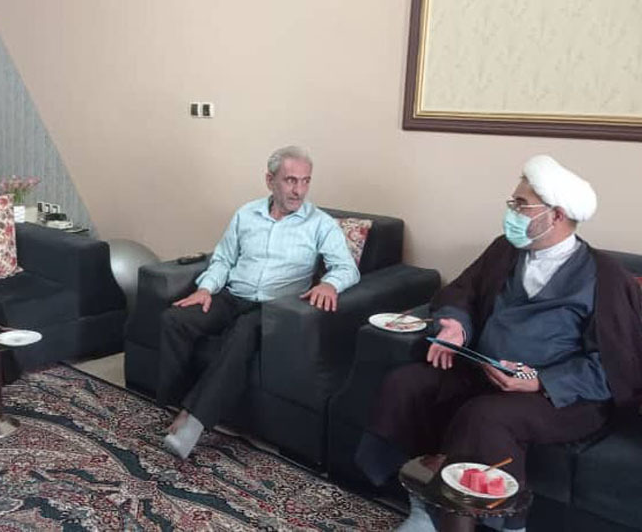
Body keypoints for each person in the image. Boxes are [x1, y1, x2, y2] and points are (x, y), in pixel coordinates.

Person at [355, 155, 642, 532]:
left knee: (484, 417)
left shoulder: (606, 277)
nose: (512, 213)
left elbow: (614, 364)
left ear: (556, 215)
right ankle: (424, 505)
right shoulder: (504, 250)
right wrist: (455, 326)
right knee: (407, 383)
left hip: (560, 396)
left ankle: (500, 525)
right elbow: (462, 292)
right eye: (513, 203)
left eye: (521, 205)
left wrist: (540, 381)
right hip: (482, 369)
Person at [157, 145, 360, 459]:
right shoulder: (246, 214)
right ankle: (173, 403)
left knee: (241, 334)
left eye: (305, 181)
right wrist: (206, 289)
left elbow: (347, 268)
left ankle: (192, 422)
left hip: (275, 309)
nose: (299, 190)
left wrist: (329, 284)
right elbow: (223, 259)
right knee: (175, 319)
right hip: (233, 295)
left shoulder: (320, 223)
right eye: (291, 180)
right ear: (270, 180)